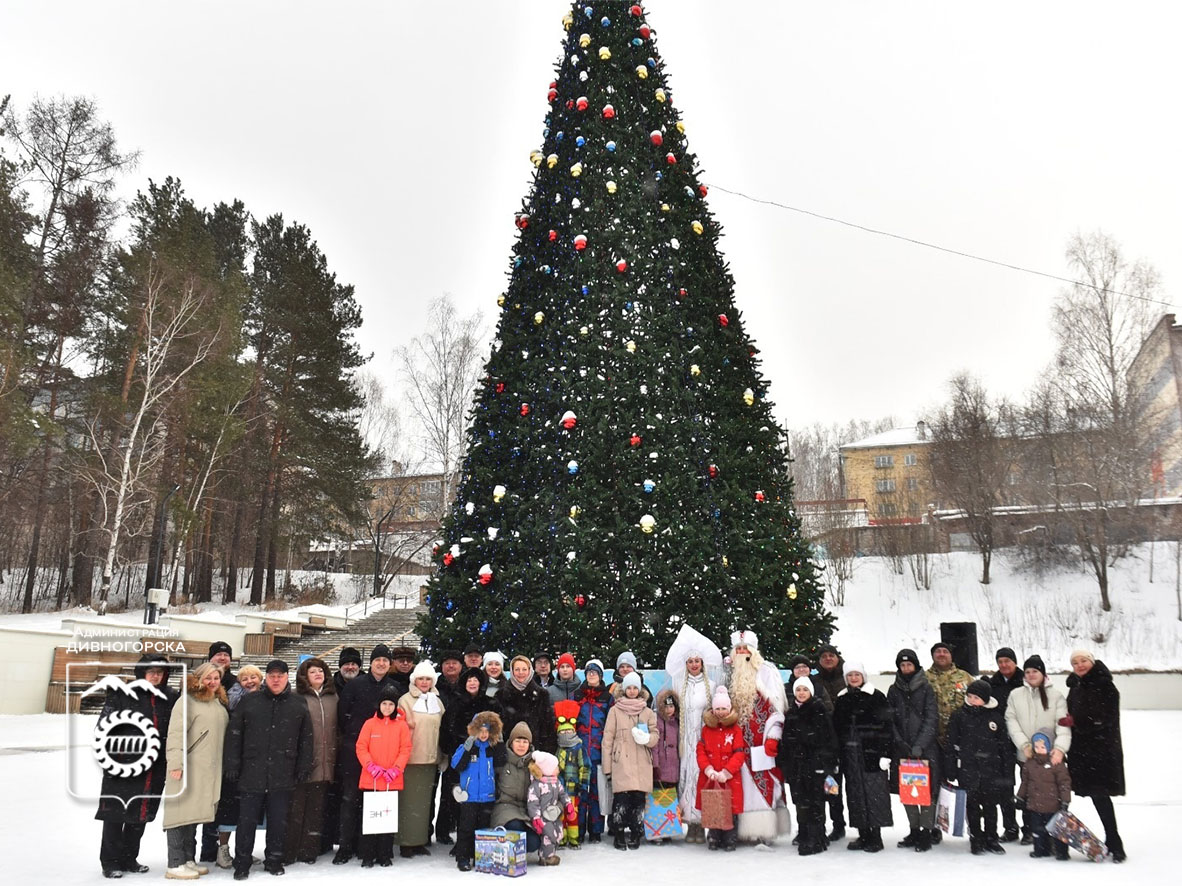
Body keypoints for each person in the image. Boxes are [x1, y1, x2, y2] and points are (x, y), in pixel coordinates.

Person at [223, 659, 313, 879]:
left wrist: (303, 765)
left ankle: (274, 859)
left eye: (280, 676)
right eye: (272, 675)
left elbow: (306, 739)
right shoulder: (250, 701)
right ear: (266, 678)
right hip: (251, 770)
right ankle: (242, 862)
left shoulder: (298, 703)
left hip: (283, 771)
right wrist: (232, 764)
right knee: (246, 821)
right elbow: (234, 735)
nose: (276, 679)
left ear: (286, 678)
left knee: (278, 820)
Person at [95, 654, 179, 879]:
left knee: (140, 814)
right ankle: (110, 861)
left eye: (160, 672)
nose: (155, 676)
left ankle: (129, 857)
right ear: (141, 672)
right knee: (115, 814)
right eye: (151, 671)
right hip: (124, 765)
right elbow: (104, 727)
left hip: (155, 767)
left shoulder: (169, 696)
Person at [161, 663, 228, 881]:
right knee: (179, 815)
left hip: (208, 768)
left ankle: (188, 858)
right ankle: (175, 862)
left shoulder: (218, 703)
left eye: (216, 678)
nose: (212, 682)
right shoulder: (187, 701)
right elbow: (176, 734)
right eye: (208, 678)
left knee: (193, 814)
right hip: (188, 766)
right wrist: (175, 764)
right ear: (198, 679)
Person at [333, 644, 394, 865]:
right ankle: (345, 846)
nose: (381, 664)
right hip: (354, 752)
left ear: (390, 664)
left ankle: (370, 846)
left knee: (377, 802)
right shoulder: (355, 685)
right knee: (350, 800)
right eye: (378, 660)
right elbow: (343, 716)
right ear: (371, 663)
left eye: (385, 661)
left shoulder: (394, 687)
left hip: (383, 757)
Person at [727, 630, 790, 843]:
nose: (742, 653)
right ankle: (743, 830)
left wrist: (773, 735)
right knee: (740, 786)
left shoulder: (767, 672)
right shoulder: (729, 673)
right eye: (738, 649)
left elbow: (777, 708)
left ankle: (764, 831)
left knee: (765, 784)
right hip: (736, 742)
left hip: (761, 741)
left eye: (746, 649)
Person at [1065, 649, 1126, 862]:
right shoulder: (1075, 687)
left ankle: (1115, 842)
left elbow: (1105, 718)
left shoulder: (1106, 686)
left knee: (1101, 796)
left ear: (1091, 662)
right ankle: (1059, 839)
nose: (1080, 665)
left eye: (1083, 661)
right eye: (1075, 662)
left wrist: (1077, 722)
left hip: (1101, 751)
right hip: (1081, 751)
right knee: (1072, 793)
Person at [1004, 654, 1070, 848]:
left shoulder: (1056, 696)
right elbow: (1011, 721)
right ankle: (1030, 831)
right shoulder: (1016, 695)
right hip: (1027, 755)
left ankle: (1053, 833)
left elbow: (1063, 725)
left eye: (1035, 671)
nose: (1031, 675)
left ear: (1043, 673)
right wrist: (1024, 745)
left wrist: (1059, 749)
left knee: (1051, 794)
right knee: (1029, 791)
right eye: (1028, 672)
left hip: (1051, 757)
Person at [665, 624, 722, 844]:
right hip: (684, 741)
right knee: (685, 778)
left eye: (697, 661)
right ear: (686, 664)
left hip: (704, 741)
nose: (694, 665)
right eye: (690, 662)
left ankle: (703, 822)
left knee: (703, 779)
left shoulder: (713, 684)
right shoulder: (679, 684)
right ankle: (690, 823)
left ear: (702, 663)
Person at [832, 662, 893, 853]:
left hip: (871, 751)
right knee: (855, 793)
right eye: (850, 675)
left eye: (857, 674)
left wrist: (885, 753)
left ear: (863, 676)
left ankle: (875, 836)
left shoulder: (876, 697)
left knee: (874, 794)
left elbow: (887, 726)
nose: (853, 678)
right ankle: (863, 833)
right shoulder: (841, 699)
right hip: (850, 754)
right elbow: (836, 729)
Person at [283, 657, 338, 866]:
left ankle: (308, 850)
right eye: (313, 672)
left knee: (316, 808)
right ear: (304, 676)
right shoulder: (296, 697)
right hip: (302, 761)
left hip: (326, 761)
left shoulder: (333, 698)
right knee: (295, 808)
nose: (317, 675)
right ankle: (290, 850)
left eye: (321, 672)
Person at [945, 679, 1010, 855]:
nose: (973, 700)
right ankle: (976, 837)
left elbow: (1004, 746)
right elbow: (951, 743)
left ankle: (992, 838)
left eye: (977, 698)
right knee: (972, 806)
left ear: (986, 699)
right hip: (968, 768)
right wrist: (951, 768)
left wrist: (1006, 771)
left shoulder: (995, 718)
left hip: (991, 769)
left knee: (990, 806)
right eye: (970, 696)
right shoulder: (959, 715)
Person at [777, 677, 838, 856]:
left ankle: (817, 837)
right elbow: (786, 740)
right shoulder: (791, 712)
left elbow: (829, 740)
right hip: (797, 767)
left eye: (805, 689)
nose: (801, 693)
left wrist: (826, 763)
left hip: (815, 765)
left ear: (810, 691)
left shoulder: (819, 710)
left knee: (816, 802)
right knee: (800, 801)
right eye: (798, 690)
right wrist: (785, 762)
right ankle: (804, 832)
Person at [887, 648, 939, 852]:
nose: (906, 668)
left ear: (916, 665)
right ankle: (914, 829)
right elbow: (889, 719)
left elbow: (931, 718)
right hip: (902, 749)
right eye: (902, 665)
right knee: (908, 791)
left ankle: (926, 831)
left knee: (927, 791)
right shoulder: (894, 690)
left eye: (909, 664)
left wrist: (920, 744)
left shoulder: (926, 687)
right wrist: (899, 741)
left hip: (925, 749)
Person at [601, 672, 659, 850]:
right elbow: (607, 739)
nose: (632, 691)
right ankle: (618, 832)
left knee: (638, 801)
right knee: (621, 801)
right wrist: (607, 767)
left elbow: (655, 735)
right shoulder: (615, 710)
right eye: (629, 688)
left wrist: (647, 739)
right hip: (622, 761)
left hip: (642, 760)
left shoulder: (647, 711)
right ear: (624, 689)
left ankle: (636, 832)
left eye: (635, 687)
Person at [355, 685, 411, 868]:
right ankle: (367, 854)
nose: (387, 707)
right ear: (379, 705)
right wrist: (371, 766)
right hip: (372, 778)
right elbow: (361, 747)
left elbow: (405, 749)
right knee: (371, 819)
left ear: (396, 706)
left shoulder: (401, 725)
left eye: (391, 704)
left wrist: (396, 768)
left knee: (387, 819)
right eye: (384, 704)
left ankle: (385, 854)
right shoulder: (369, 724)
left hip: (390, 780)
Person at [213, 665, 261, 869]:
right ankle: (222, 849)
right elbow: (232, 735)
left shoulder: (268, 699)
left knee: (251, 812)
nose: (250, 681)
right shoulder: (231, 702)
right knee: (230, 808)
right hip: (235, 762)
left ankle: (245, 850)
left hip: (257, 762)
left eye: (253, 677)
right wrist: (232, 762)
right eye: (245, 678)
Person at [397, 660, 445, 857]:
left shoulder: (437, 700)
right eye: (421, 678)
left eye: (428, 679)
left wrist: (443, 755)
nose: (424, 682)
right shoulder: (405, 700)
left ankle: (419, 840)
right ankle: (406, 841)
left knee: (424, 804)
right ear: (414, 680)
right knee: (408, 803)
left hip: (431, 758)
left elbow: (442, 729)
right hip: (411, 759)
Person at [451, 711, 505, 871]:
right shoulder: (467, 747)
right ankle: (463, 857)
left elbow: (502, 762)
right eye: (480, 731)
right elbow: (457, 765)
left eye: (487, 731)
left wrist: (500, 742)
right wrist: (467, 749)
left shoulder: (492, 748)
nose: (483, 734)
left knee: (483, 829)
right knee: (466, 828)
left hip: (487, 796)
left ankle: (480, 856)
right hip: (470, 796)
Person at [696, 685, 745, 851]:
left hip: (729, 778)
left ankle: (730, 838)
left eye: (724, 708)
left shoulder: (736, 730)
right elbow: (700, 752)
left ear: (729, 709)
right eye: (718, 708)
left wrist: (727, 771)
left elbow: (739, 753)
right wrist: (708, 769)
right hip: (711, 776)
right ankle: (714, 836)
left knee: (730, 809)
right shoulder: (706, 729)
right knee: (713, 806)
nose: (721, 712)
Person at [986, 646, 1025, 842]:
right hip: (1002, 742)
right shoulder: (993, 684)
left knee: (1030, 785)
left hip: (1026, 740)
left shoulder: (1026, 680)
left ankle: (1031, 828)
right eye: (1000, 662)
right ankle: (1010, 827)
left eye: (1007, 661)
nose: (1003, 665)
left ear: (1015, 662)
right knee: (1005, 786)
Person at [573, 659, 612, 842]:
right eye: (589, 672)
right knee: (581, 792)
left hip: (599, 751)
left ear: (601, 676)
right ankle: (578, 830)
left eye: (595, 672)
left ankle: (596, 830)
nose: (591, 675)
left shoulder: (606, 697)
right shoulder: (577, 695)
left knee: (597, 792)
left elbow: (610, 723)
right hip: (580, 751)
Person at [1015, 732, 1071, 859]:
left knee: (1057, 830)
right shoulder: (1030, 764)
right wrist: (1020, 797)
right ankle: (1040, 849)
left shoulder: (1056, 764)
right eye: (1036, 746)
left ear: (1050, 747)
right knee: (1037, 830)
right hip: (1035, 806)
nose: (1039, 750)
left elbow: (1064, 783)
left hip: (1053, 806)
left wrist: (1065, 801)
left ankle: (1061, 851)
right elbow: (1025, 782)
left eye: (1043, 747)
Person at [491, 722, 542, 854]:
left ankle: (514, 851)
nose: (521, 745)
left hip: (526, 810)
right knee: (515, 827)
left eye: (524, 742)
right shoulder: (502, 760)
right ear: (511, 742)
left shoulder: (535, 764)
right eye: (518, 741)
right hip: (505, 807)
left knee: (533, 843)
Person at [814, 643, 848, 842]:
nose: (828, 659)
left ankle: (839, 824)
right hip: (822, 742)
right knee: (823, 787)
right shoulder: (815, 680)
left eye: (831, 655)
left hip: (843, 741)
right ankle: (821, 825)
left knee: (836, 788)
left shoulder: (847, 677)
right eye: (824, 656)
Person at [433, 649, 465, 845]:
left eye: (455, 662)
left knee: (457, 789)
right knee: (439, 791)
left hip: (459, 747)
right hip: (437, 745)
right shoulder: (435, 687)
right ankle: (441, 830)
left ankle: (457, 828)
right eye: (447, 663)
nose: (451, 666)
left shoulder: (466, 686)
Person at [498, 654, 558, 754]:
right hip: (509, 753)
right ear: (512, 671)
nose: (521, 673)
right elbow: (499, 729)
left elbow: (547, 727)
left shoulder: (542, 695)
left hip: (535, 751)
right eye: (517, 669)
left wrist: (546, 753)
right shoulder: (501, 696)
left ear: (530, 671)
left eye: (524, 669)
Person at [553, 699, 590, 848]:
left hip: (574, 789)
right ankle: (562, 838)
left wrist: (583, 784)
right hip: (561, 790)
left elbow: (585, 766)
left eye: (569, 731)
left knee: (573, 814)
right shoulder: (559, 749)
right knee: (561, 815)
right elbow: (554, 767)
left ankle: (574, 839)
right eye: (563, 731)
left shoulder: (579, 748)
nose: (566, 734)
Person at [527, 751, 574, 865]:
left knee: (558, 832)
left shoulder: (556, 782)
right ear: (546, 769)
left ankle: (551, 852)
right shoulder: (536, 785)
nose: (558, 769)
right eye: (555, 767)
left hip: (554, 815)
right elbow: (532, 803)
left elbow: (563, 794)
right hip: (543, 817)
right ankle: (546, 857)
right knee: (548, 835)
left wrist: (568, 805)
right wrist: (536, 818)